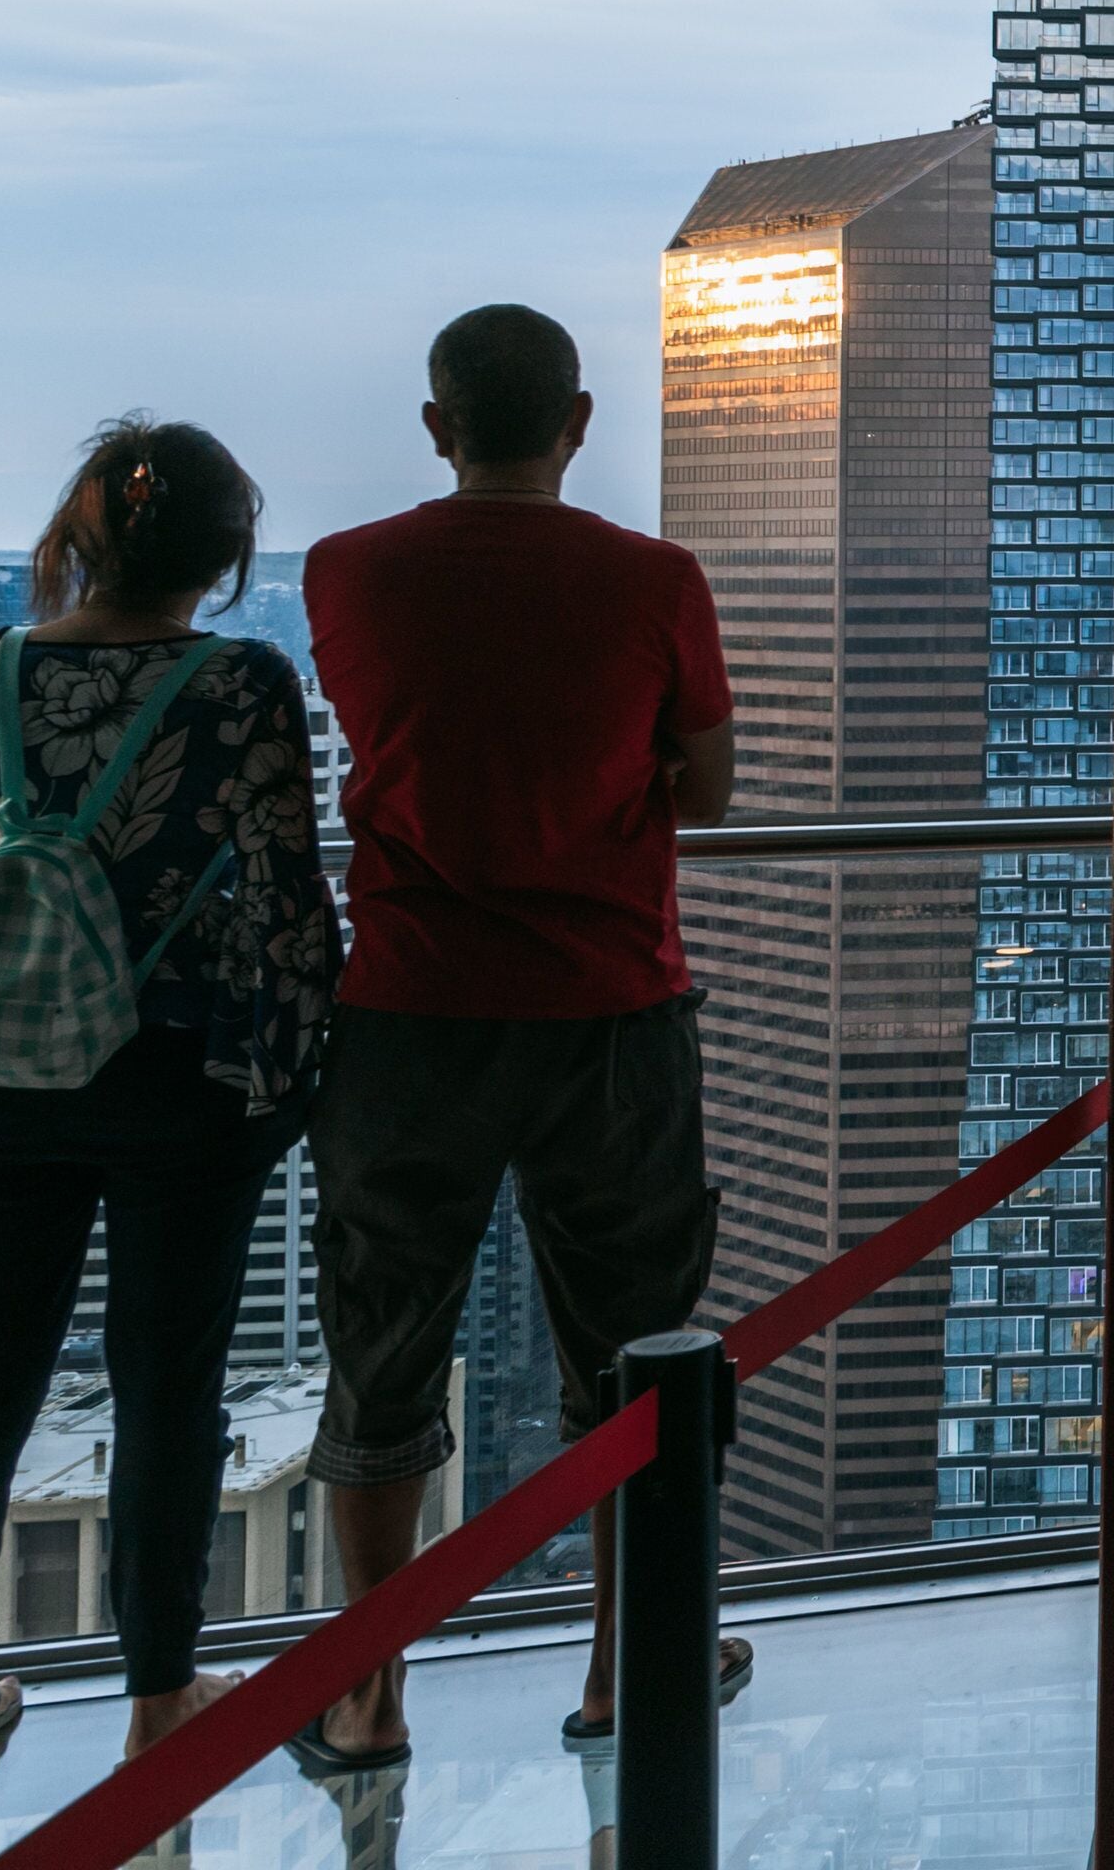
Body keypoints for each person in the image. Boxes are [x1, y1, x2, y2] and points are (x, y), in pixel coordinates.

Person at [0, 417, 341, 1793]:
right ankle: (160, 1694)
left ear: (81, 539)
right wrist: (297, 1074)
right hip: (174, 1081)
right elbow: (286, 907)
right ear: (224, 559)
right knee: (168, 1384)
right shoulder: (242, 683)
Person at [298, 303, 742, 1769]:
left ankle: (372, 1695)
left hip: (409, 1012)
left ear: (437, 427)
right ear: (581, 421)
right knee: (634, 1350)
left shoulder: (348, 571)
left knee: (382, 1352)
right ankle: (628, 1663)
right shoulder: (656, 579)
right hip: (610, 1007)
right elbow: (714, 791)